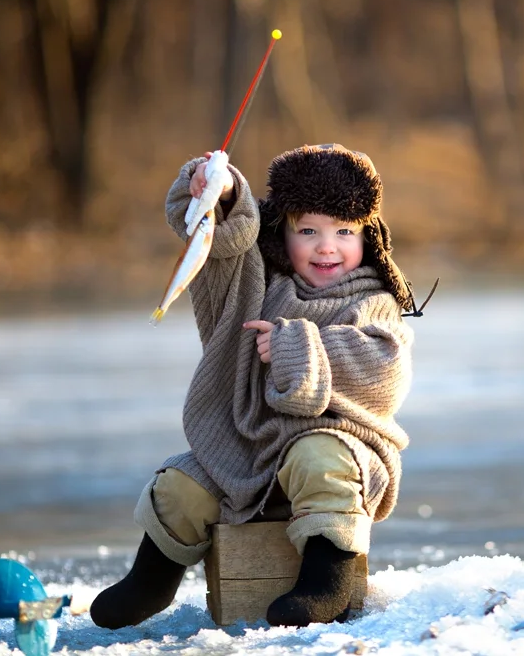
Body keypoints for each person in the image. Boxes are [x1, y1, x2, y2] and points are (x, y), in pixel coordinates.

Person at [90, 143, 417, 629]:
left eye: (343, 231)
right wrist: (219, 194)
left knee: (320, 459)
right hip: (253, 447)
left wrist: (296, 347)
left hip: (342, 449)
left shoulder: (374, 298)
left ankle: (326, 581)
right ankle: (151, 579)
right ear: (282, 232)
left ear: (367, 236)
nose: (327, 246)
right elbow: (226, 245)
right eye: (308, 231)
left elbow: (385, 369)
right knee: (182, 483)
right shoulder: (263, 285)